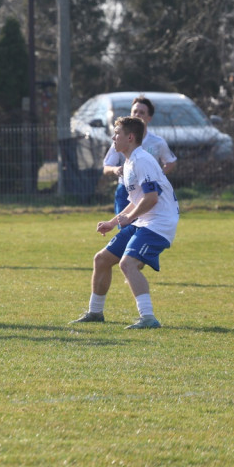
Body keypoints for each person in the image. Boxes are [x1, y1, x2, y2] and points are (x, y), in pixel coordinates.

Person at [72, 116, 180, 329]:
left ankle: (148, 318)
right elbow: (136, 201)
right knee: (101, 259)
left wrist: (129, 218)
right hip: (144, 221)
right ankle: (95, 313)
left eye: (117, 133)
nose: (113, 138)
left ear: (129, 137)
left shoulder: (142, 160)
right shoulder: (130, 162)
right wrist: (113, 222)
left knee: (127, 263)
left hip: (159, 224)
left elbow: (151, 198)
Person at [102, 95, 176, 214]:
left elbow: (171, 162)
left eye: (141, 112)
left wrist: (157, 175)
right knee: (125, 228)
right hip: (126, 189)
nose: (137, 115)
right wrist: (115, 170)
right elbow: (106, 167)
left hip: (148, 190)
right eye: (134, 111)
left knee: (146, 225)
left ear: (149, 118)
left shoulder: (157, 142)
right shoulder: (119, 140)